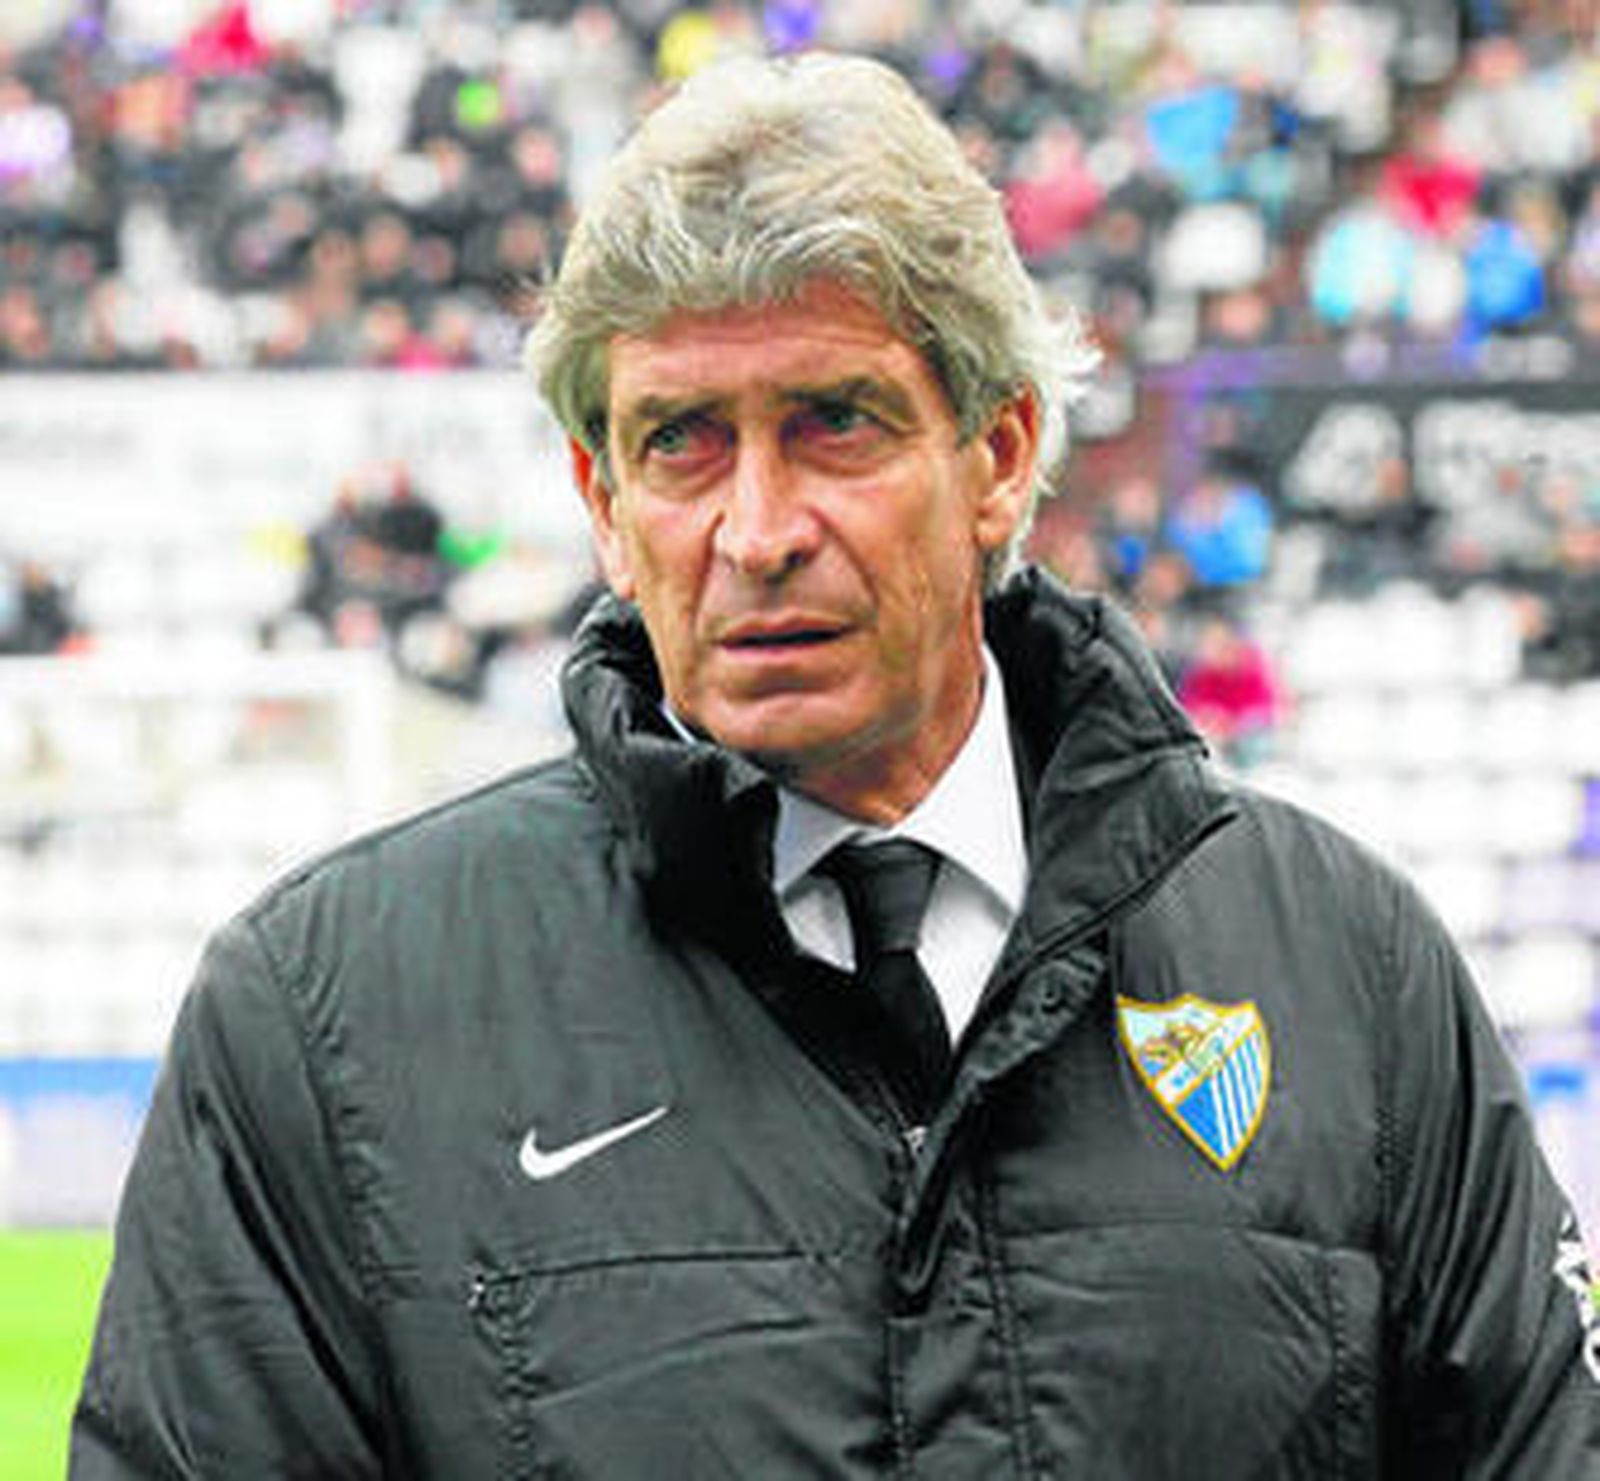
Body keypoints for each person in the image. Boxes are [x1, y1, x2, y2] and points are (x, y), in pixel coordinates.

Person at [72, 51, 1599, 1479]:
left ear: (1001, 454)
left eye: (835, 423)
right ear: (603, 502)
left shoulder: (1348, 968)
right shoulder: (328, 1017)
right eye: (681, 441)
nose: (756, 529)